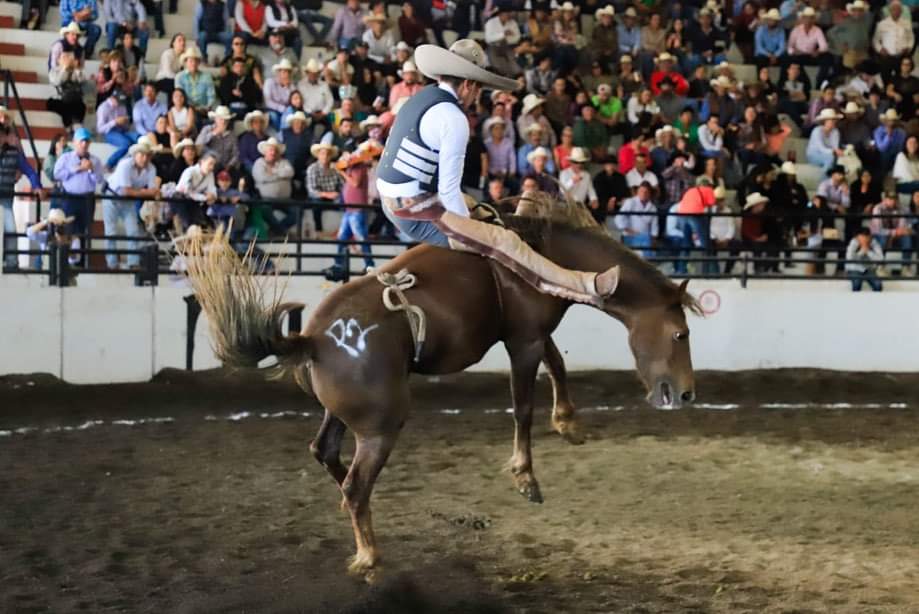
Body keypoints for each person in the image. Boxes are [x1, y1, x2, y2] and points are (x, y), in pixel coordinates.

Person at [377, 40, 618, 306]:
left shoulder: (421, 97)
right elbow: (448, 191)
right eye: (478, 89)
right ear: (469, 85)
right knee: (503, 240)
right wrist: (470, 230)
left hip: (394, 196)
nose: (476, 96)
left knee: (477, 209)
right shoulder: (453, 119)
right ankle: (585, 286)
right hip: (414, 209)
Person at [102, 142, 159, 270]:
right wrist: (144, 192)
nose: (145, 158)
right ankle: (112, 264)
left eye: (147, 155)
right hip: (112, 197)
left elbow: (152, 191)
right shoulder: (125, 165)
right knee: (110, 232)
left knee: (133, 231)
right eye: (142, 155)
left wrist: (145, 192)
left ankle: (133, 262)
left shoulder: (151, 168)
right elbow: (125, 190)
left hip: (128, 200)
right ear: (135, 155)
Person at [53, 128, 104, 265]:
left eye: (86, 141)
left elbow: (99, 180)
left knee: (85, 229)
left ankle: (83, 262)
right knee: (68, 228)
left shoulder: (95, 160)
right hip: (70, 197)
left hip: (87, 198)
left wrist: (91, 169)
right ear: (75, 142)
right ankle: (67, 261)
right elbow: (56, 174)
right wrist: (77, 169)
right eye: (81, 141)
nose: (84, 144)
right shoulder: (66, 158)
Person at [251, 137, 296, 234]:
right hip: (265, 199)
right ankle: (282, 231)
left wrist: (273, 172)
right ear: (265, 152)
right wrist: (280, 176)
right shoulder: (259, 162)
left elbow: (290, 172)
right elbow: (262, 178)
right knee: (265, 210)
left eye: (275, 150)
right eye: (271, 150)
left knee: (297, 212)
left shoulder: (284, 162)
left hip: (285, 200)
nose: (273, 153)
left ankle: (276, 230)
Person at [174, 152, 218, 232]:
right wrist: (205, 197)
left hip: (195, 201)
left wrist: (213, 196)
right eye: (210, 164)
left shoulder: (210, 174)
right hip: (180, 200)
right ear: (202, 162)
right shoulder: (190, 171)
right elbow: (187, 191)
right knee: (189, 225)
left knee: (204, 225)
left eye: (213, 165)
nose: (212, 167)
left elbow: (212, 188)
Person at [870, 191, 914, 272]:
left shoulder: (902, 208)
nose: (892, 201)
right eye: (890, 199)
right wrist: (893, 232)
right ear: (885, 199)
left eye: (894, 199)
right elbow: (879, 229)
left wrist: (897, 232)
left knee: (907, 238)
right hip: (879, 234)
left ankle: (906, 267)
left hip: (896, 234)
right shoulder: (878, 208)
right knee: (883, 239)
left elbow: (902, 226)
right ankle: (880, 266)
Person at [97, 93, 140, 169]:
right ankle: (109, 164)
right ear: (112, 98)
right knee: (126, 143)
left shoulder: (122, 106)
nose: (120, 103)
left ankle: (133, 165)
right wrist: (115, 122)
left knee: (139, 138)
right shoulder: (103, 108)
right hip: (109, 133)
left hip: (122, 131)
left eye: (121, 101)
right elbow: (100, 129)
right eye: (118, 101)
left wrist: (125, 122)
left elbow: (126, 128)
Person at [615, 182, 658, 257]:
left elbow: (655, 227)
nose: (643, 194)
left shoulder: (653, 208)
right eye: (641, 191)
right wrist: (628, 230)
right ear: (637, 192)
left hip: (646, 238)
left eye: (646, 192)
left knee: (649, 245)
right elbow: (619, 218)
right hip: (630, 236)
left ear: (650, 194)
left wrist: (653, 239)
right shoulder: (630, 202)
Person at [306, 142, 341, 234]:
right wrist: (327, 194)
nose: (325, 156)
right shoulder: (312, 168)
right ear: (318, 155)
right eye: (322, 153)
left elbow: (342, 185)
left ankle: (342, 231)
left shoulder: (335, 168)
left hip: (333, 196)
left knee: (347, 201)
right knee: (316, 203)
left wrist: (340, 171)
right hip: (319, 196)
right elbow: (311, 191)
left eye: (327, 154)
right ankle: (319, 230)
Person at [872, 0, 914, 78]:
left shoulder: (907, 23)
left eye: (898, 10)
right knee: (885, 76)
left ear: (901, 11)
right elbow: (875, 40)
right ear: (889, 11)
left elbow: (911, 38)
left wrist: (908, 48)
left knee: (901, 78)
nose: (896, 11)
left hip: (902, 56)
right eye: (894, 9)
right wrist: (880, 49)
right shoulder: (882, 24)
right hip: (887, 57)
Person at [175, 46, 218, 121]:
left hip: (204, 109)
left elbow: (211, 96)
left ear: (198, 63)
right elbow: (179, 97)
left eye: (196, 61)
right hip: (186, 109)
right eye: (191, 61)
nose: (193, 63)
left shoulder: (207, 76)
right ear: (185, 62)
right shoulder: (179, 77)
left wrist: (206, 107)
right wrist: (193, 108)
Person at [47, 52, 88, 130]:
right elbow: (57, 81)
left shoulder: (76, 71)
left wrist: (76, 69)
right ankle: (70, 126)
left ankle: (74, 127)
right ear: (58, 60)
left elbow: (83, 81)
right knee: (63, 105)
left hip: (74, 99)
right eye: (64, 58)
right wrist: (64, 69)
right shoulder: (54, 71)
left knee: (80, 105)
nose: (67, 60)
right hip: (58, 98)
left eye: (69, 58)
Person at [196, 105, 239, 172]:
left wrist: (229, 166)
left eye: (226, 120)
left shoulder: (232, 135)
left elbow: (236, 154)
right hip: (209, 167)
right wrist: (213, 134)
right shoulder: (207, 129)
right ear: (215, 119)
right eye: (221, 119)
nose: (224, 122)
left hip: (226, 167)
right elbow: (198, 145)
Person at [592, 157, 630, 225]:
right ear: (604, 166)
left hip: (617, 203)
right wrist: (607, 202)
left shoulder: (621, 177)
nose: (610, 167)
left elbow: (624, 192)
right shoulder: (598, 177)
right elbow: (597, 193)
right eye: (608, 165)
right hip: (602, 204)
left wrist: (614, 200)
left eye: (612, 164)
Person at [263, 58, 296, 130]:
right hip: (271, 109)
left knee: (291, 112)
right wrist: (282, 108)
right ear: (278, 72)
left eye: (288, 72)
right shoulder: (269, 82)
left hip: (286, 111)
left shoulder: (292, 86)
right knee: (273, 116)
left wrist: (287, 87)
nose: (286, 74)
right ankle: (281, 132)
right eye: (284, 71)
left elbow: (293, 101)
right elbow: (268, 102)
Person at [806, 108, 842, 173]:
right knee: (830, 158)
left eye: (834, 120)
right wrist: (834, 151)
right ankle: (824, 180)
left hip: (829, 155)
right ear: (825, 121)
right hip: (813, 155)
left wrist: (838, 152)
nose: (834, 122)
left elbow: (835, 147)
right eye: (831, 120)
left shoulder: (836, 132)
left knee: (839, 159)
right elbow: (821, 148)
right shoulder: (816, 131)